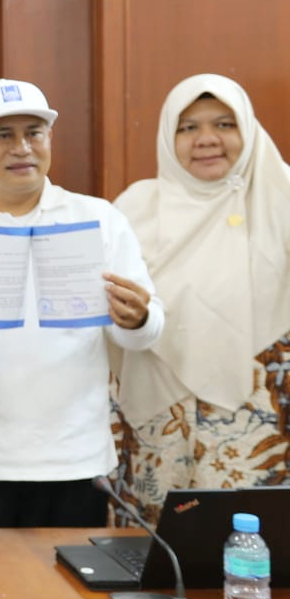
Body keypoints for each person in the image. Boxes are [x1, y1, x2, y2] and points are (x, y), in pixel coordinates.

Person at [0, 79, 163, 528]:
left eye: (33, 133)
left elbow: (146, 332)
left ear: (49, 140)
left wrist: (138, 319)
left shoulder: (98, 219)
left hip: (74, 460)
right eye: (3, 135)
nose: (21, 148)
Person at [111, 74, 290, 523]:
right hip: (159, 414)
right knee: (153, 551)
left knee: (253, 546)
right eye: (187, 127)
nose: (206, 139)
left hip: (260, 417)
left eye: (224, 124)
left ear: (248, 130)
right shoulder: (135, 208)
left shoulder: (281, 197)